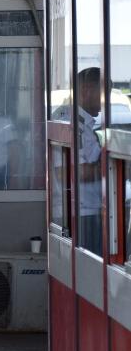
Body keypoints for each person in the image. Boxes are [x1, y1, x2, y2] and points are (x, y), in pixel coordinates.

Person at [76, 67, 103, 254]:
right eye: (104, 93)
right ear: (86, 90)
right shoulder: (72, 124)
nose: (106, 100)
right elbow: (75, 172)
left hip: (90, 210)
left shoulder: (86, 124)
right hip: (81, 215)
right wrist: (116, 169)